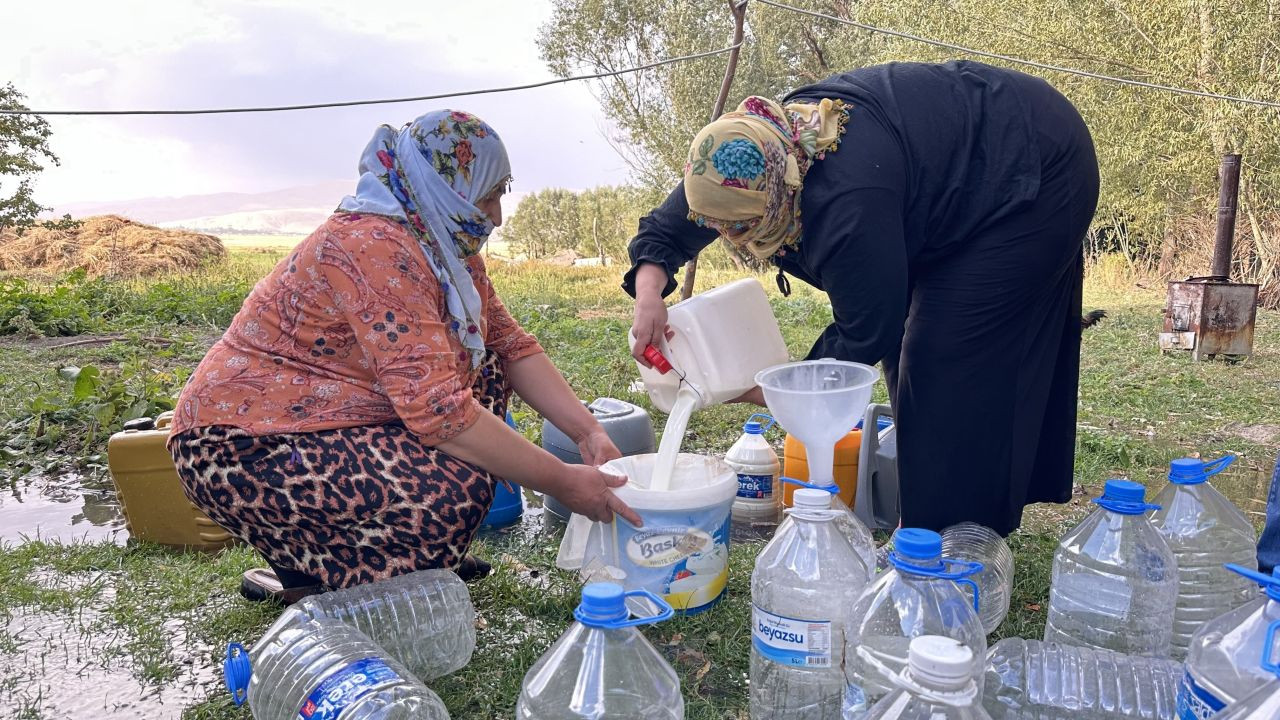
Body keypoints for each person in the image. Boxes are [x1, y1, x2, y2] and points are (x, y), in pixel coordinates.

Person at [169, 109, 640, 604]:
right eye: (490, 193)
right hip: (239, 446)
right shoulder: (371, 245)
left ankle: (352, 566)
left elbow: (509, 344)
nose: (496, 215)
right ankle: (330, 574)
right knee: (451, 493)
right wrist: (564, 481)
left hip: (319, 421)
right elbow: (442, 415)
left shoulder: (442, 246)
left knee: (487, 384)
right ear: (448, 182)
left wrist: (589, 432)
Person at [625, 60, 1099, 536]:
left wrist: (773, 392)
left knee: (941, 355)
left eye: (742, 228)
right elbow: (675, 223)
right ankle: (925, 513)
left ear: (780, 191)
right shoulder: (735, 157)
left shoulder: (844, 200)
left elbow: (868, 329)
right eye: (717, 228)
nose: (730, 239)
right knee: (911, 361)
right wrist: (649, 293)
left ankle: (945, 544)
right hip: (952, 173)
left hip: (1033, 170)